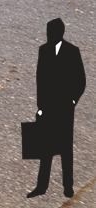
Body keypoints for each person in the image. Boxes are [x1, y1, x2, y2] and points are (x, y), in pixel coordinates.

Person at [33, 18, 84, 198]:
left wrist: (72, 102)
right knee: (45, 148)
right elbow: (40, 80)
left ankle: (67, 186)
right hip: (48, 107)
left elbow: (80, 80)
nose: (48, 36)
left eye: (51, 32)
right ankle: (41, 186)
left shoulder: (72, 52)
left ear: (58, 33)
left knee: (65, 149)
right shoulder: (44, 50)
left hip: (64, 108)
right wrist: (40, 106)